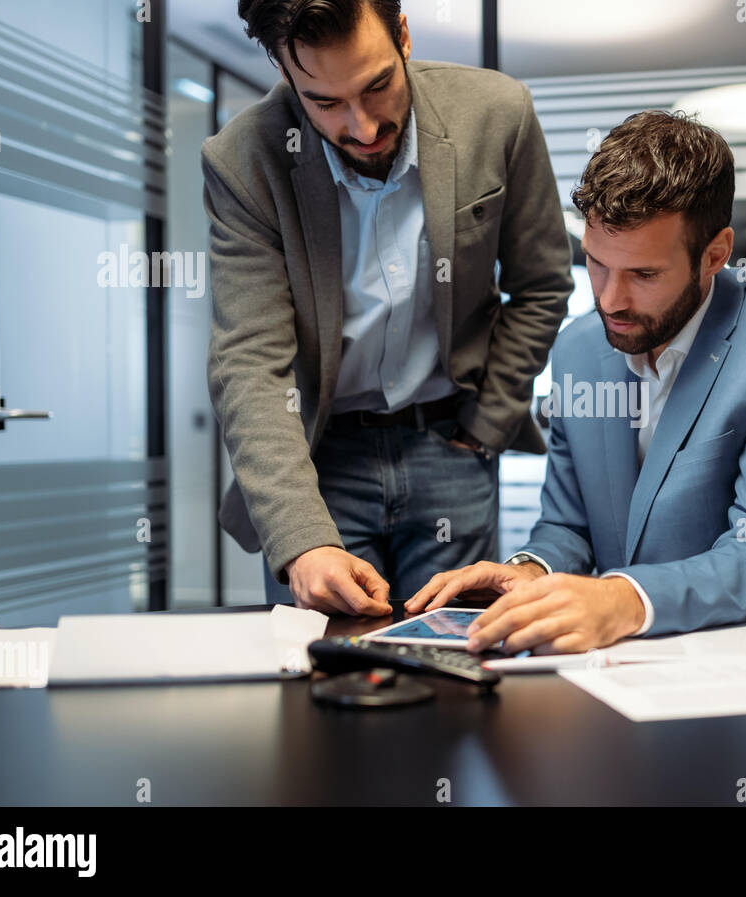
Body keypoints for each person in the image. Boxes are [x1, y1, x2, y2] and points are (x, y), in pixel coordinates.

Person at [405, 111, 746, 654]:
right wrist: (530, 570)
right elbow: (569, 526)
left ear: (715, 253)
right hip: (616, 675)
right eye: (596, 264)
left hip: (744, 675)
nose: (610, 301)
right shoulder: (577, 348)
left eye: (643, 275)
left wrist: (621, 600)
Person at [205, 0, 572, 615]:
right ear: (284, 74)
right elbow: (249, 361)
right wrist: (303, 539)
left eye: (379, 85)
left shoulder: (497, 114)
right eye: (325, 103)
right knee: (322, 677)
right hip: (318, 466)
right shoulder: (242, 162)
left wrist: (485, 425)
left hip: (451, 443)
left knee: (458, 659)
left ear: (403, 34)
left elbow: (541, 285)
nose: (365, 127)